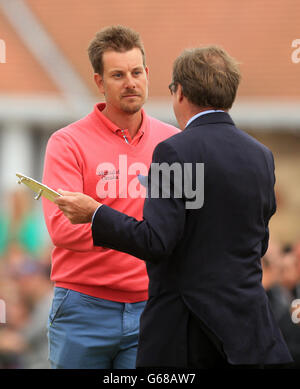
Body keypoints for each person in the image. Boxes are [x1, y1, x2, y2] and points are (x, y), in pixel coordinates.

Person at [55, 46, 293, 368]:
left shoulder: (174, 151)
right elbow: (258, 240)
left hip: (186, 331)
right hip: (249, 330)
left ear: (179, 92)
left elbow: (157, 240)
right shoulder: (260, 155)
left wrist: (94, 213)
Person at [42, 25, 179, 369]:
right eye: (118, 75)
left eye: (136, 72)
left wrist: (101, 218)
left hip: (152, 307)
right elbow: (62, 229)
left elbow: (183, 230)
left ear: (147, 74)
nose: (130, 82)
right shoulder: (66, 143)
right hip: (82, 308)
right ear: (100, 82)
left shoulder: (174, 143)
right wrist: (143, 235)